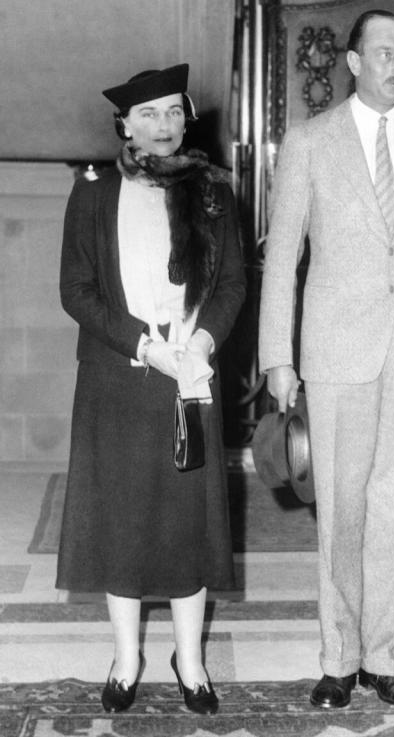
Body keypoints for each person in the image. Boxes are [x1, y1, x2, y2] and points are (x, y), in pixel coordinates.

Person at [258, 9, 394, 710]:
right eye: (384, 51)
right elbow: (282, 258)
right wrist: (276, 356)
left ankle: (385, 657)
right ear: (352, 63)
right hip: (335, 350)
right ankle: (337, 659)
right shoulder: (310, 142)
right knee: (341, 510)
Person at [57, 63, 246, 715]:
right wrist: (143, 344)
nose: (163, 125)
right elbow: (76, 291)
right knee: (123, 523)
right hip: (119, 375)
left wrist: (197, 345)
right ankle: (127, 655)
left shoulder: (214, 192)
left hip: (189, 377)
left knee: (187, 524)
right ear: (125, 126)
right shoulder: (93, 193)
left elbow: (231, 287)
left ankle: (190, 659)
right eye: (148, 114)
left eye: (173, 112)